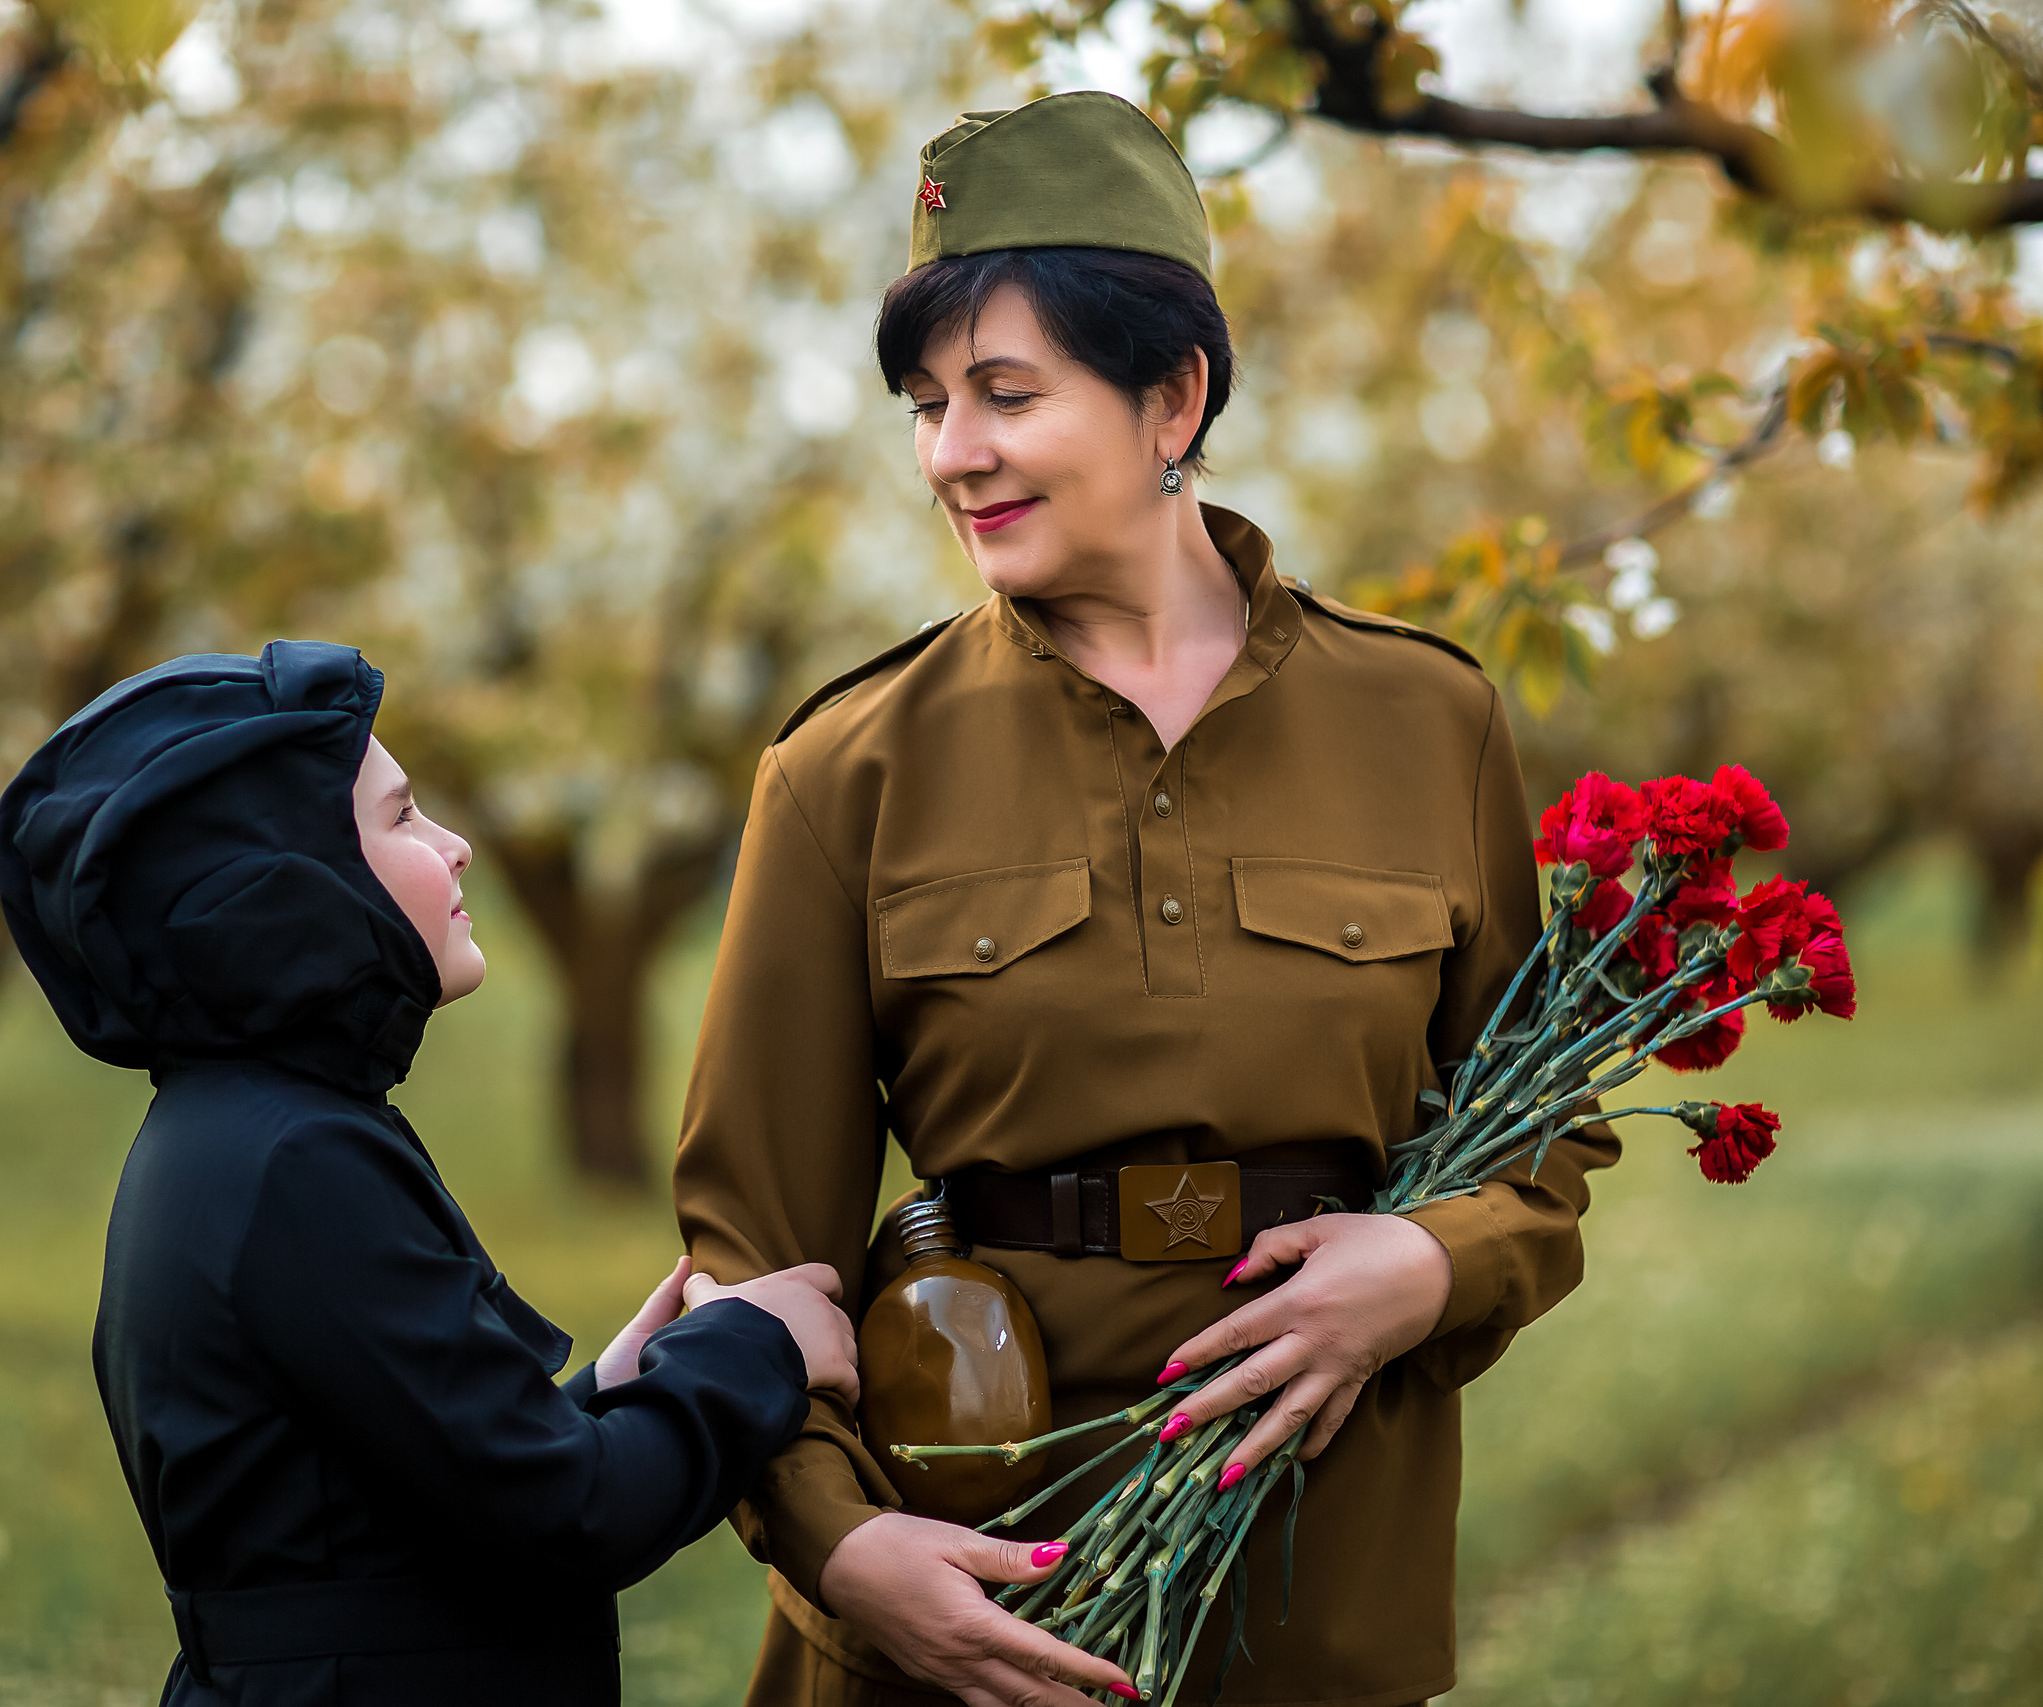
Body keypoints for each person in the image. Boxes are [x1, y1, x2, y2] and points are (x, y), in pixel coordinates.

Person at [672, 91, 1622, 1707]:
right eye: (927, 404)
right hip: (961, 1586)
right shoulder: (845, 765)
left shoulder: (1428, 719)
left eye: (1006, 393)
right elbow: (748, 1254)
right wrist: (843, 1546)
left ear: (1172, 394)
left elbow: (1541, 1138)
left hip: (1321, 1585)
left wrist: (1433, 1264)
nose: (951, 452)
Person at [0, 640, 859, 1706]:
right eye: (401, 817)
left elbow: (405, 1496)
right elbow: (573, 1514)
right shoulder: (297, 1163)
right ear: (286, 883)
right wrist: (759, 1347)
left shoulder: (232, 1134)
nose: (456, 847)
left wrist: (614, 1391)